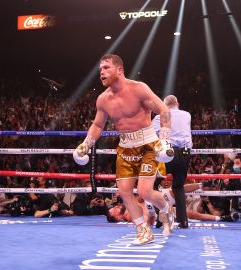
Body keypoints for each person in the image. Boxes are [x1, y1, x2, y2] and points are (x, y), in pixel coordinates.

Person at [73, 54, 175, 245]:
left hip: (148, 144)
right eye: (100, 69)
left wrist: (165, 140)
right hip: (125, 147)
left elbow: (164, 110)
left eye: (106, 68)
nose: (101, 72)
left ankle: (167, 209)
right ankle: (143, 230)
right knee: (124, 191)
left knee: (145, 192)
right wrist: (86, 144)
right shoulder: (103, 99)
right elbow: (97, 125)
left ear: (119, 69)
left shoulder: (138, 89)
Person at [153, 94, 192, 228]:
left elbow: (153, 134)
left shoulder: (160, 117)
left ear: (164, 105)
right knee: (178, 186)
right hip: (186, 152)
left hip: (169, 153)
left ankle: (161, 218)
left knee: (152, 184)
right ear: (178, 104)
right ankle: (183, 220)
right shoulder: (187, 115)